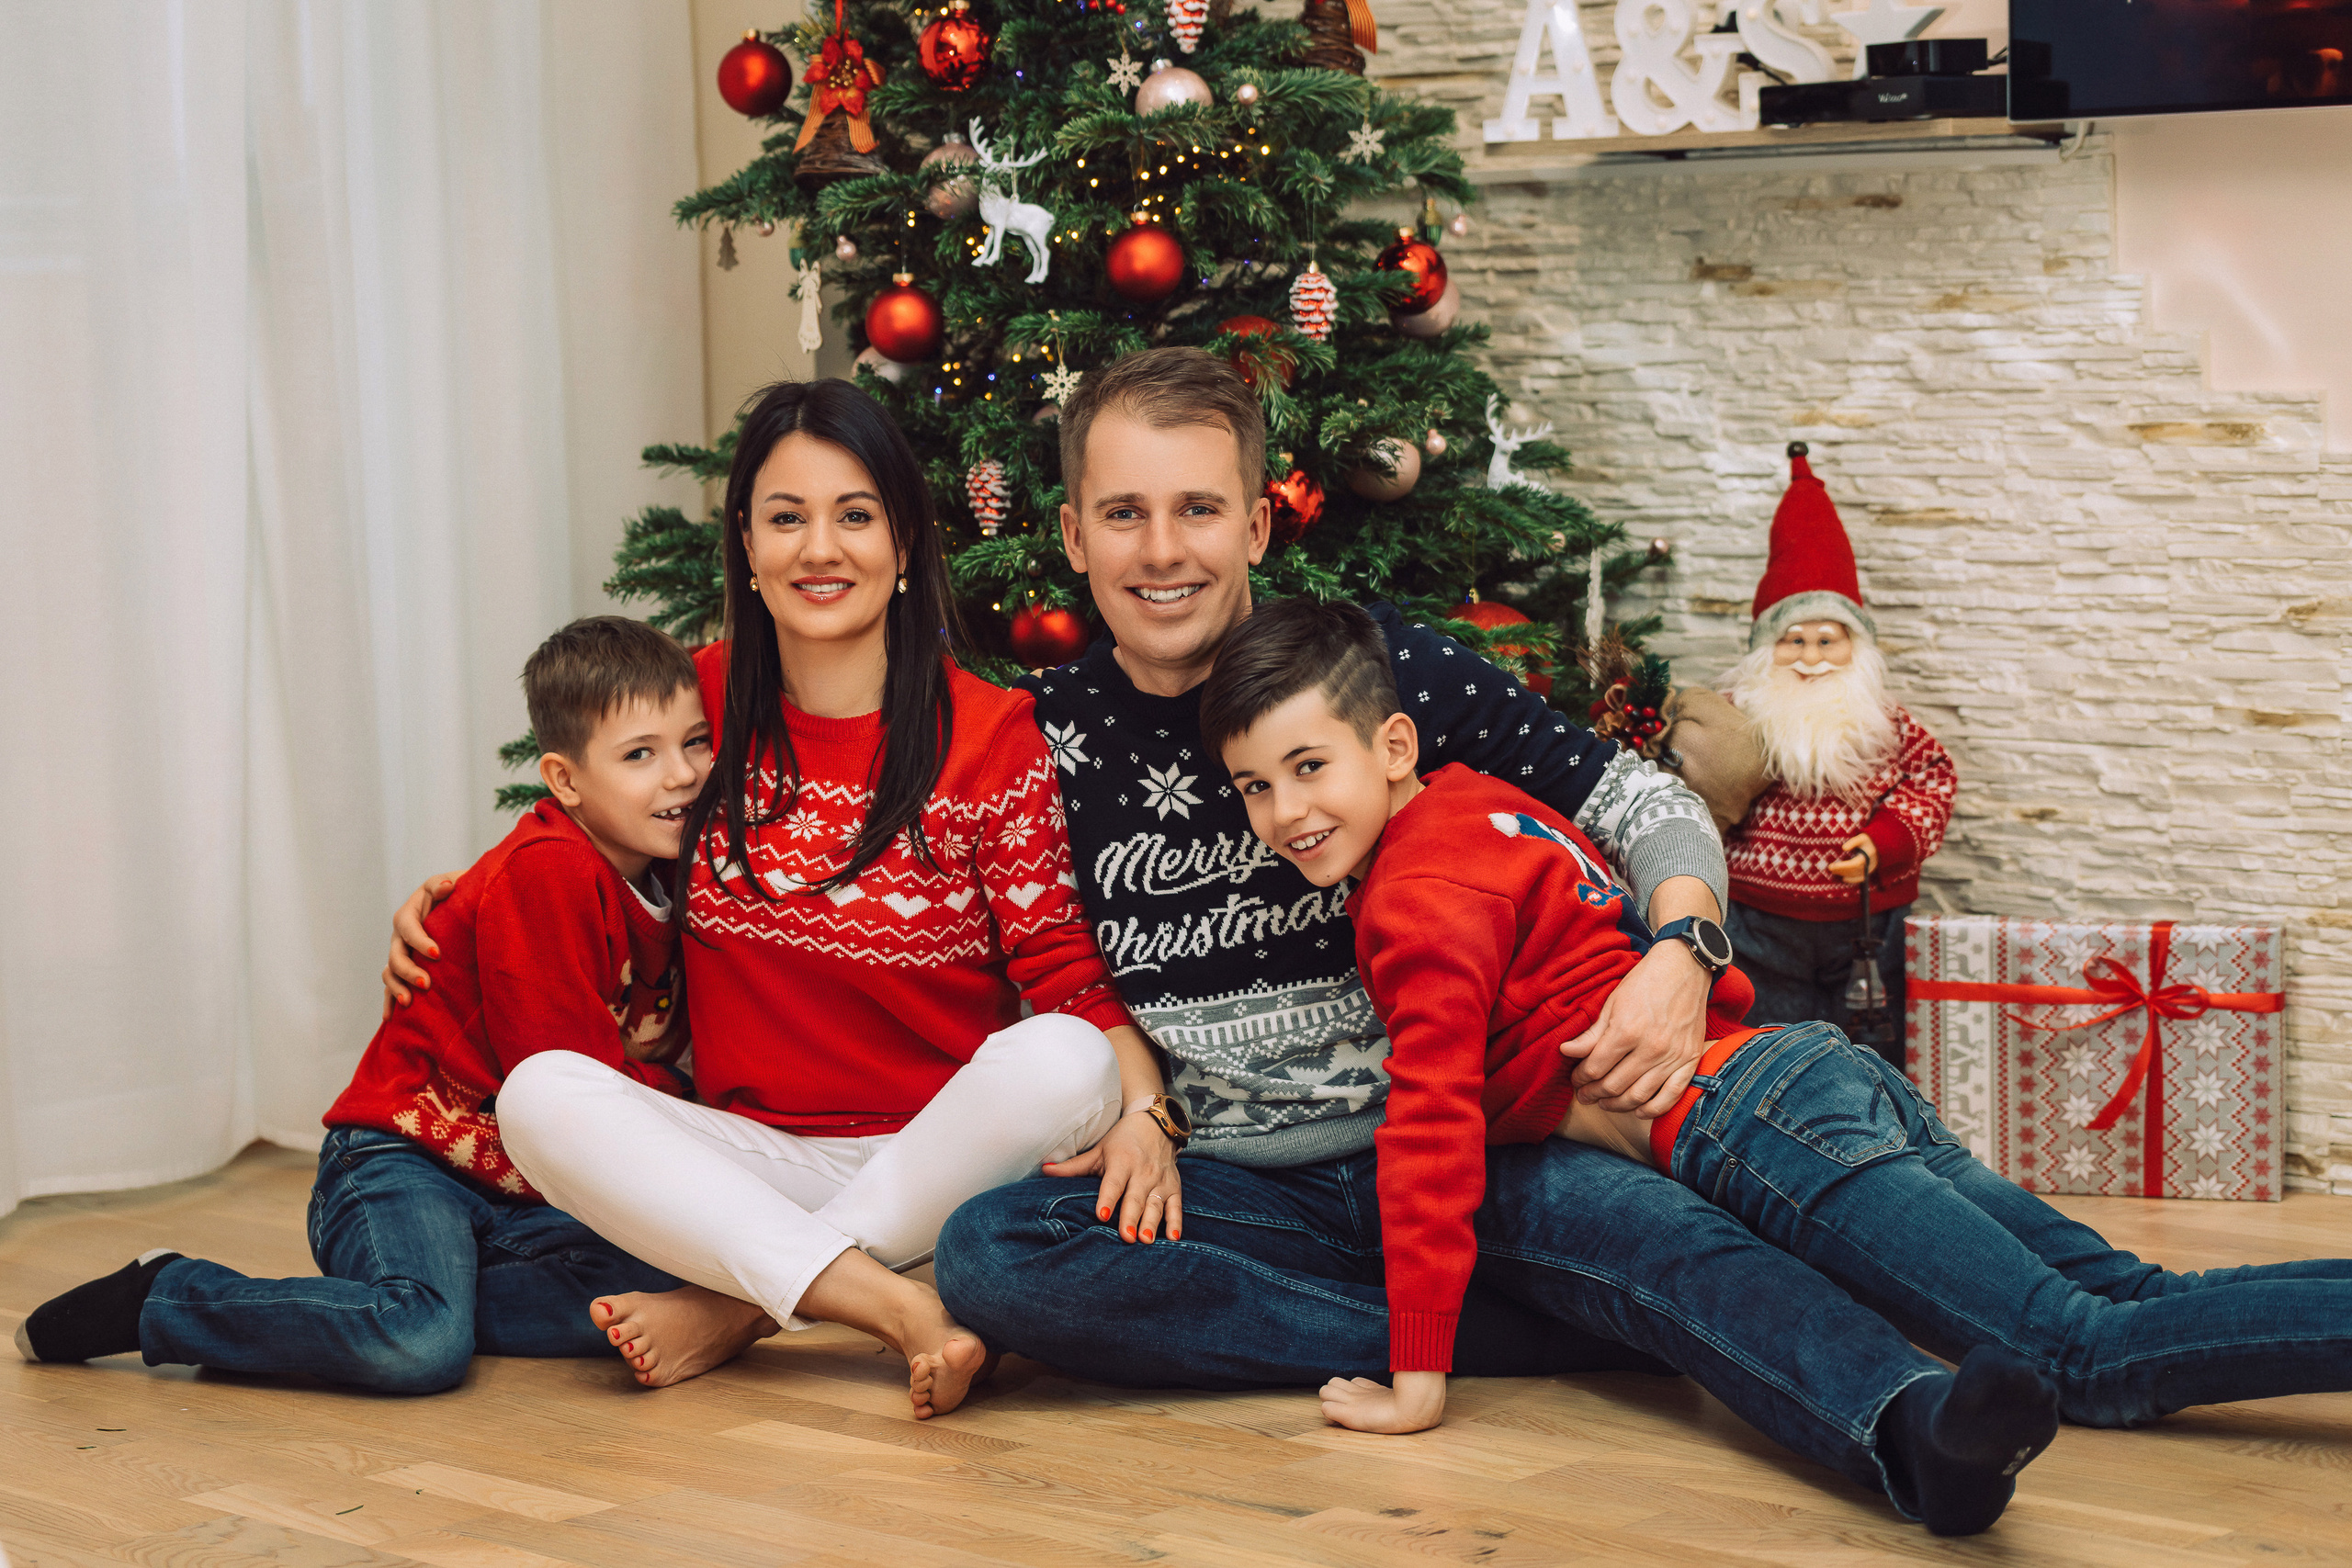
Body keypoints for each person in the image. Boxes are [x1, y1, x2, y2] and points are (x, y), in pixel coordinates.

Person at [928, 349, 2075, 1531]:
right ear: (1072, 536)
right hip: (1240, 1185)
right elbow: (1051, 960)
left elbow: (1642, 800)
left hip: (1485, 1148)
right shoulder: (1039, 737)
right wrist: (1141, 1110)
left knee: (1672, 1242)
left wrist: (1684, 950)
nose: (1162, 550)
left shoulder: (1378, 672)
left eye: (1198, 509)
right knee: (997, 1254)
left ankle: (1911, 1429)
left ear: (1257, 525)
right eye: (1124, 513)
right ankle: (1532, 1328)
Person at [1202, 594, 2352, 1529]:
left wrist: (1417, 1373)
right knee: (2126, 1292)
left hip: (1752, 1120)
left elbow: (1429, 1124)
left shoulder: (1415, 898)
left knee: (2085, 1351)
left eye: (1308, 767)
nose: (1285, 812)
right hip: (1809, 1072)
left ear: (1393, 746)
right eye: (1255, 785)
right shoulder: (1490, 810)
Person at [386, 379, 1170, 1418]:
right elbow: (572, 829)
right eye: (787, 518)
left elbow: (1065, 972)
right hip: (749, 1161)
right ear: (747, 546)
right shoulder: (695, 708)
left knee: (1065, 1057)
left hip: (938, 1156)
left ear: (904, 541)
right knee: (542, 1095)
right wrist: (453, 903)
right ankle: (890, 1299)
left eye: (855, 515)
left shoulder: (989, 736)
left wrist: (1148, 1113)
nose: (820, 549)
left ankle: (738, 1309)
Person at [16, 616, 708, 1393]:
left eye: (697, 741)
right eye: (640, 754)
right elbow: (572, 1089)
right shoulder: (551, 870)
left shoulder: (672, 870)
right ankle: (167, 1294)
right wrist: (691, 1101)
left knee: (664, 1283)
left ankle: (417, 1297)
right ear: (565, 780)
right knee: (420, 1342)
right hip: (400, 1157)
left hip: (516, 1191)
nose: (682, 773)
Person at [1719, 445, 1956, 1060]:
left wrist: (1888, 841)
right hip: (1758, 925)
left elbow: (1933, 777)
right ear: (1766, 649)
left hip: (1867, 927)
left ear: (1857, 647)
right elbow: (1697, 771)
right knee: (1770, 1048)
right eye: (1793, 640)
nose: (1811, 657)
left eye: (1828, 640)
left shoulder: (1884, 722)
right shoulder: (1737, 714)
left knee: (1871, 1049)